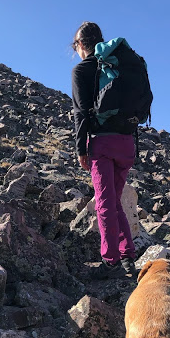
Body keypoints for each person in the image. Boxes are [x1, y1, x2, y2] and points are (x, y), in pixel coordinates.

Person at [71, 21, 137, 279]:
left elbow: (81, 113)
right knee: (115, 200)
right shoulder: (117, 66)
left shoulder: (82, 69)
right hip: (127, 143)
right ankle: (128, 255)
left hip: (103, 143)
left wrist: (80, 148)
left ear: (80, 45)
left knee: (104, 203)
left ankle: (110, 261)